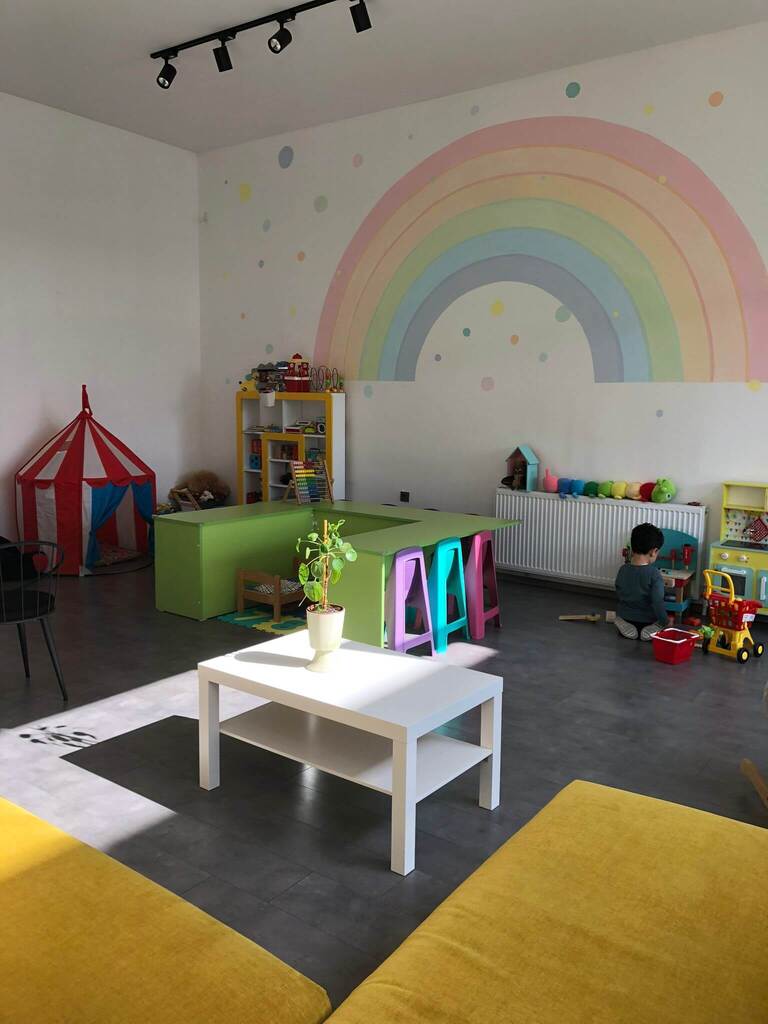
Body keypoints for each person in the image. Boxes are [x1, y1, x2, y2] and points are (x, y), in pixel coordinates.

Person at [614, 522, 668, 640]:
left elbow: (619, 592)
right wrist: (665, 621)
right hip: (648, 620)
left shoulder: (622, 569)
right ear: (653, 551)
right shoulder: (654, 574)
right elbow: (658, 602)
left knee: (623, 613)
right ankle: (653, 629)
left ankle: (621, 620)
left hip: (626, 616)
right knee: (662, 623)